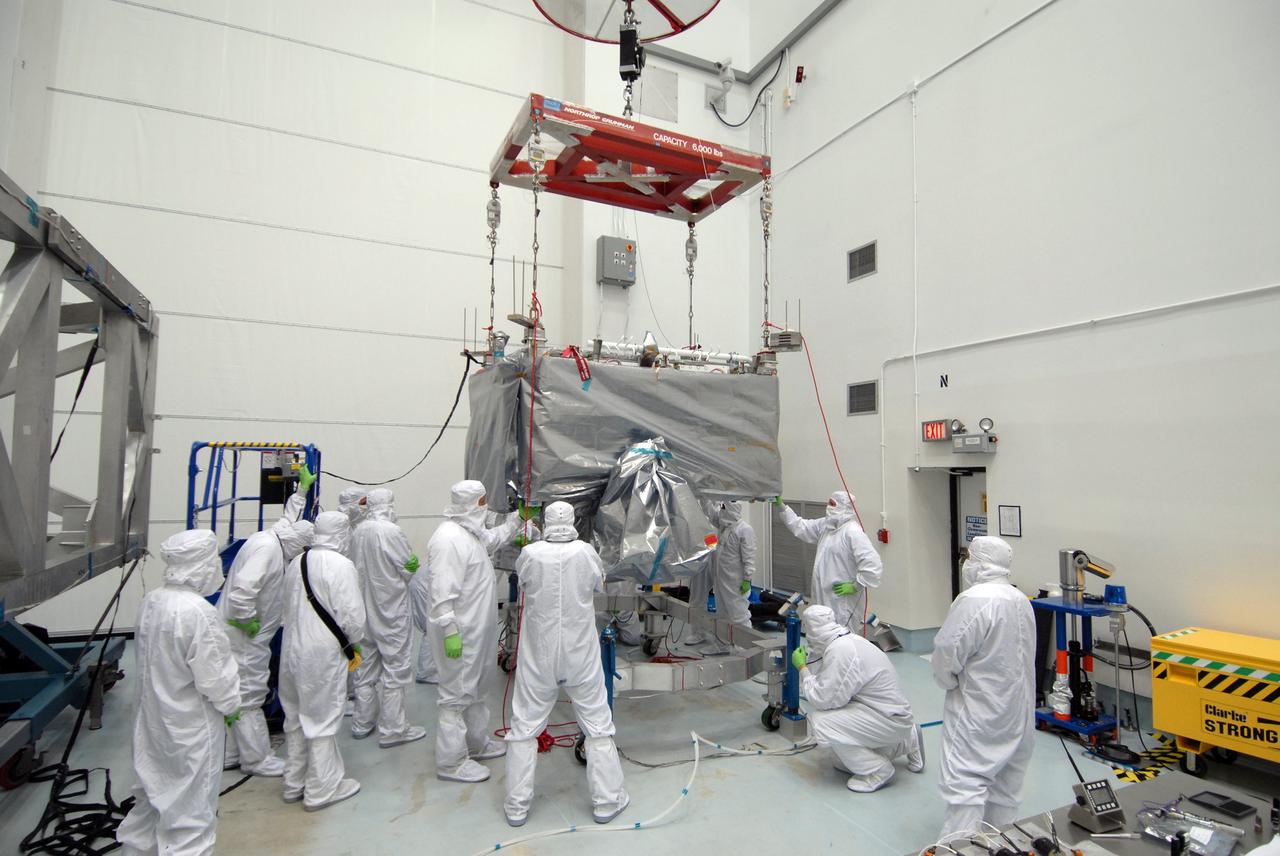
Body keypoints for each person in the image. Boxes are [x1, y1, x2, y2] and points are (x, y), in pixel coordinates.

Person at [116, 530, 241, 856]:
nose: (218, 568)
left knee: (148, 803)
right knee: (190, 818)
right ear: (201, 564)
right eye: (214, 561)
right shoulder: (198, 612)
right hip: (189, 729)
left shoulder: (152, 600)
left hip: (152, 723)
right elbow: (215, 678)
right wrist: (232, 705)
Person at [504, 502, 628, 826]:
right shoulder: (585, 552)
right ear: (572, 521)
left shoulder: (531, 554)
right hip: (580, 654)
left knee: (523, 729)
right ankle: (608, 802)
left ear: (545, 521)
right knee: (597, 726)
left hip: (538, 656)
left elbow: (525, 583)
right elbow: (597, 584)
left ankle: (516, 808)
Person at [932, 535, 1036, 838]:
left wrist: (948, 681)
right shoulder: (1020, 600)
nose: (967, 564)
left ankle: (959, 845)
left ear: (981, 563)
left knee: (966, 787)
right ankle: (998, 843)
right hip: (1018, 710)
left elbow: (948, 652)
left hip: (978, 712)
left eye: (970, 558)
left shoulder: (974, 600)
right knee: (1006, 789)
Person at [219, 469, 315, 776]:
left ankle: (231, 752)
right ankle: (256, 759)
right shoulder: (269, 551)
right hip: (244, 635)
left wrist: (301, 491)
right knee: (249, 693)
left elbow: (288, 520)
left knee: (237, 692)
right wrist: (246, 620)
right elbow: (243, 590)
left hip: (245, 631)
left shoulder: (273, 537)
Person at [425, 480, 520, 783]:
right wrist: (449, 629)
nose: (487, 505)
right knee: (455, 697)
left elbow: (492, 539)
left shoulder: (469, 533)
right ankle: (451, 763)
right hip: (460, 633)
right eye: (483, 500)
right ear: (475, 503)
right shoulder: (448, 539)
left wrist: (518, 519)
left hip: (477, 630)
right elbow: (442, 594)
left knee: (476, 689)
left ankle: (476, 744)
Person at [280, 511, 367, 811]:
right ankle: (321, 788)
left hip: (292, 649)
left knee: (294, 718)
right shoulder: (341, 565)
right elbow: (352, 617)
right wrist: (353, 643)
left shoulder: (296, 563)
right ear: (343, 534)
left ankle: (294, 782)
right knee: (322, 719)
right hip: (321, 653)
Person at [792, 604, 923, 793]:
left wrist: (803, 669)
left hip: (887, 719)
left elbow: (823, 699)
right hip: (888, 713)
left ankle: (879, 771)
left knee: (822, 723)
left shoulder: (841, 651)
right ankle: (908, 740)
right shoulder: (847, 640)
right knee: (840, 761)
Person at [349, 488, 427, 747]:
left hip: (363, 611)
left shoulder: (358, 530)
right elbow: (406, 569)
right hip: (390, 611)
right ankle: (393, 730)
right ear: (388, 505)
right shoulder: (390, 531)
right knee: (396, 668)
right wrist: (412, 565)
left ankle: (362, 722)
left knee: (365, 669)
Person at [776, 491, 882, 634]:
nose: (828, 507)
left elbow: (873, 564)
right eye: (829, 503)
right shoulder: (826, 526)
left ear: (844, 506)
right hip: (822, 597)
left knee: (842, 642)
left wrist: (856, 585)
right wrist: (782, 507)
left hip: (842, 603)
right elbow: (802, 527)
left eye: (833, 504)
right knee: (821, 638)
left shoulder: (852, 532)